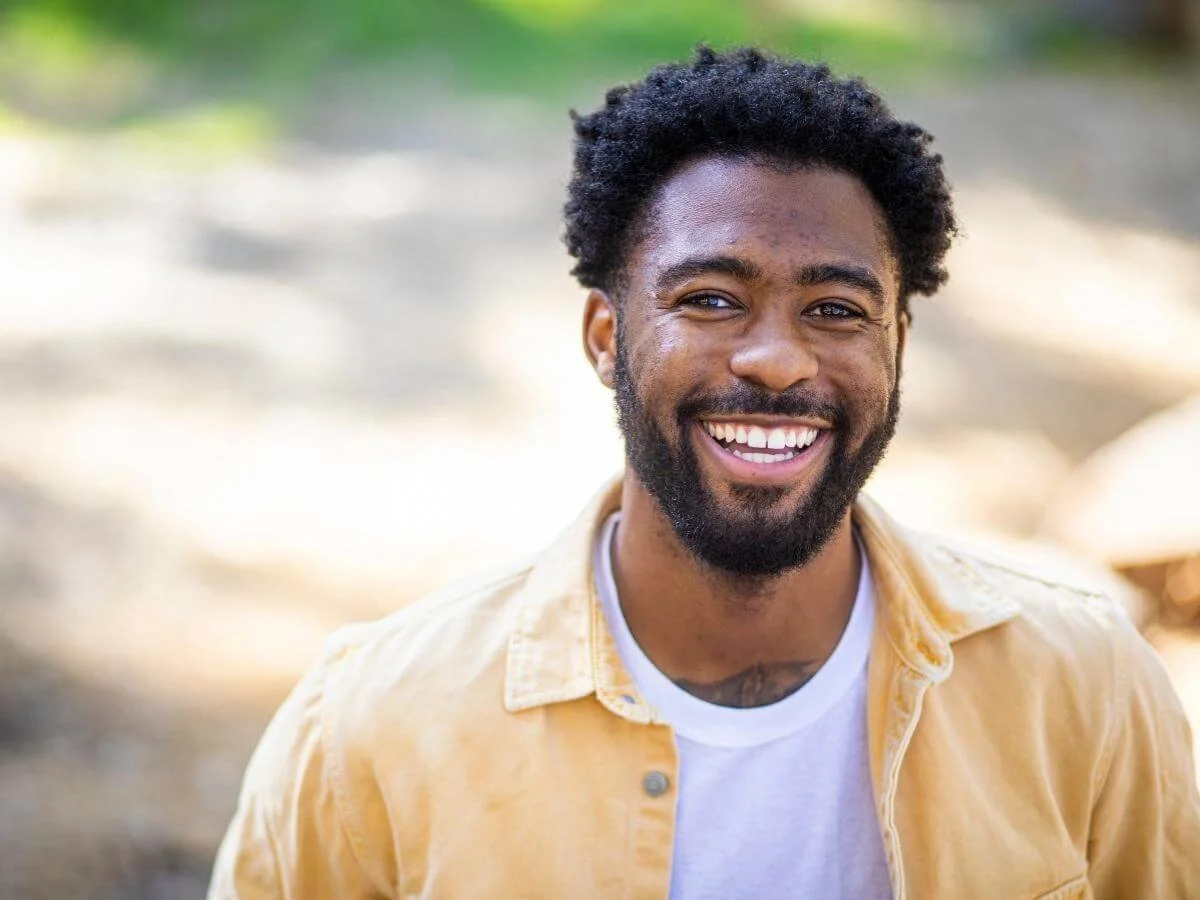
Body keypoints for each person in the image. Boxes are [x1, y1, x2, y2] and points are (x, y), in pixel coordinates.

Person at [207, 47, 1200, 899]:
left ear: (897, 342)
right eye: (712, 298)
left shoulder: (1084, 689)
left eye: (837, 310)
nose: (776, 358)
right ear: (607, 337)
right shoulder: (371, 723)